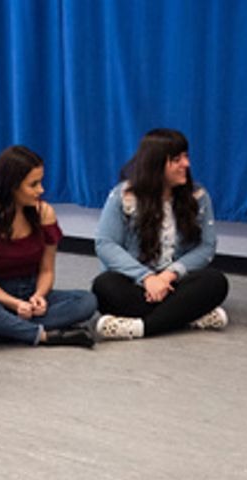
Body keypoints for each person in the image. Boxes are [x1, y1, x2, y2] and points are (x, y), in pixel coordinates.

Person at [91, 128, 230, 340]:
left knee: (216, 282)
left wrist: (168, 275)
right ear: (156, 163)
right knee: (104, 286)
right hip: (134, 283)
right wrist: (147, 278)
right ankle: (186, 315)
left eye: (186, 156)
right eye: (177, 159)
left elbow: (206, 247)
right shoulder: (123, 194)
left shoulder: (198, 196)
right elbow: (105, 244)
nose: (186, 164)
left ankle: (140, 327)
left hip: (175, 283)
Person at [0, 145, 97, 348]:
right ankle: (45, 336)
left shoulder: (44, 213)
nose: (41, 190)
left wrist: (39, 296)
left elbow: (47, 270)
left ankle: (2, 330)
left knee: (87, 301)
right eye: (34, 184)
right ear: (12, 186)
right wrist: (15, 304)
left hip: (32, 290)